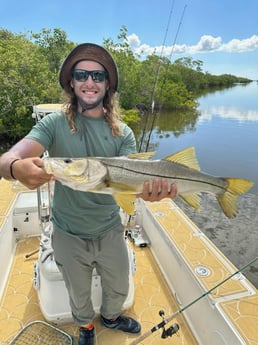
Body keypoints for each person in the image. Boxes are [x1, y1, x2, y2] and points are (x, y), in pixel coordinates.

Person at [0, 43, 177, 345]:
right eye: (82, 74)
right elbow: (7, 159)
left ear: (108, 85)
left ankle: (111, 316)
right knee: (78, 292)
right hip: (68, 231)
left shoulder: (123, 133)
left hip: (109, 228)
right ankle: (86, 328)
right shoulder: (54, 124)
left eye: (98, 76)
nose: (90, 82)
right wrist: (16, 167)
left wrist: (147, 192)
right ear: (72, 82)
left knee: (119, 284)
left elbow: (128, 186)